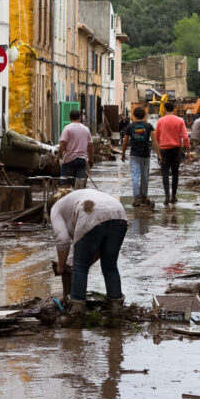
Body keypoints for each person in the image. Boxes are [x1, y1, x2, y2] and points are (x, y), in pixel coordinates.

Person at [51, 188, 128, 327]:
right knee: (110, 266)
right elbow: (98, 250)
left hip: (91, 213)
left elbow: (62, 241)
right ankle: (116, 314)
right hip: (119, 213)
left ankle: (76, 315)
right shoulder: (79, 196)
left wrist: (61, 266)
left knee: (79, 266)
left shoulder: (56, 208)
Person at [121, 106, 159, 207]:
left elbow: (125, 142)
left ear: (133, 115)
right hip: (145, 155)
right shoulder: (149, 126)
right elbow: (154, 142)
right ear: (144, 115)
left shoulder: (130, 126)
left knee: (135, 176)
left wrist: (123, 153)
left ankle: (136, 198)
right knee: (145, 177)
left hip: (134, 155)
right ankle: (144, 197)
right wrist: (159, 155)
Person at [154, 101, 189, 205]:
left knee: (165, 174)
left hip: (163, 150)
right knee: (175, 174)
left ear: (164, 109)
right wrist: (187, 151)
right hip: (176, 149)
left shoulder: (160, 121)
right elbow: (185, 137)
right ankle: (174, 196)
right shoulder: (180, 120)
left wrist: (157, 153)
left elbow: (156, 138)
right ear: (174, 109)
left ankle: (167, 197)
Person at [58, 109, 93, 189]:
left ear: (69, 118)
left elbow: (63, 144)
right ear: (80, 118)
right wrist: (91, 159)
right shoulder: (86, 129)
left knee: (65, 186)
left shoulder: (67, 128)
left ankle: (67, 199)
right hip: (81, 160)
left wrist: (58, 156)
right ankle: (78, 200)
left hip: (68, 160)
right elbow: (90, 146)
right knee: (79, 186)